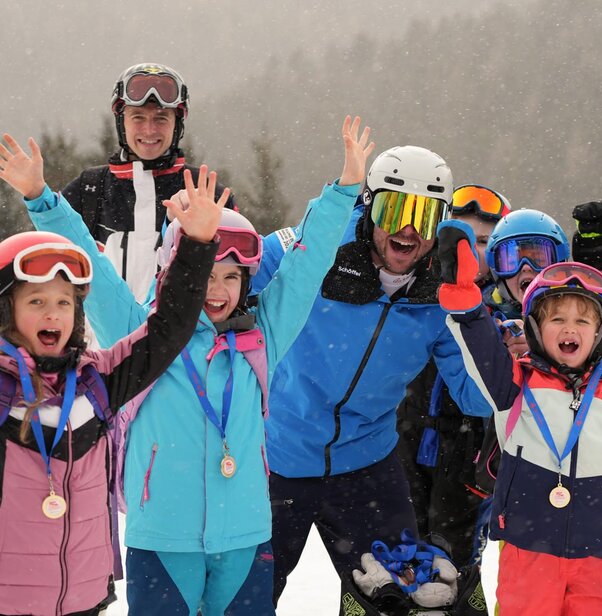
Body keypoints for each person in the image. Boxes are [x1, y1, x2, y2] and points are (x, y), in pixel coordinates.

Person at [9, 116, 373, 615]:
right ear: (177, 271)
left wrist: (344, 190)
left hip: (244, 536)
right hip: (162, 537)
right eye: (206, 273)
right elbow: (86, 258)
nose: (216, 290)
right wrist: (41, 199)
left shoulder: (261, 337)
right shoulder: (143, 337)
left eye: (231, 277)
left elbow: (307, 264)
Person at [250, 145, 496, 604]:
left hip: (367, 465)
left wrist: (471, 311)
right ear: (368, 207)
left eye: (423, 217)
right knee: (246, 598)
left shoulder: (440, 288)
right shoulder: (320, 244)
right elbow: (232, 276)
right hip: (277, 455)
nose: (406, 229)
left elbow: (478, 397)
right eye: (394, 208)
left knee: (401, 599)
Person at [0, 135, 223, 615]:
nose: (53, 315)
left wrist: (200, 245)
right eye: (36, 302)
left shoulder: (97, 381)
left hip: (84, 599)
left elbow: (167, 329)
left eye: (64, 303)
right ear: (6, 312)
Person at [434, 221, 602, 616]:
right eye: (557, 319)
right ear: (536, 329)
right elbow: (483, 350)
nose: (569, 329)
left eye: (582, 321)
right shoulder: (514, 385)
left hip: (599, 559)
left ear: (598, 332)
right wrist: (465, 303)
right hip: (528, 556)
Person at [395, 184, 512, 567]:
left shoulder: (507, 307)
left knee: (455, 569)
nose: (469, 250)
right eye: (457, 236)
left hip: (469, 455)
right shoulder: (414, 294)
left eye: (481, 241)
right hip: (405, 440)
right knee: (393, 562)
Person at [61, 63, 235, 301]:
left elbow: (238, 280)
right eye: (138, 117)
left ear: (177, 125)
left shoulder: (207, 192)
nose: (149, 129)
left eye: (161, 118)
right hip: (102, 339)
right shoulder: (89, 189)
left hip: (184, 337)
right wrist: (35, 195)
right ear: (122, 122)